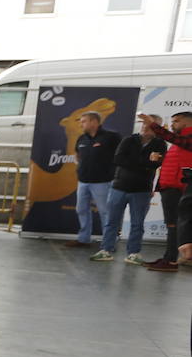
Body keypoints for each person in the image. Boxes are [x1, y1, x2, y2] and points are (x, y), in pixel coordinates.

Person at [92, 114, 165, 264]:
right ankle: (106, 250)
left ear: (157, 128)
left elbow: (155, 164)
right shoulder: (128, 140)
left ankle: (133, 253)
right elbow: (118, 160)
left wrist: (136, 162)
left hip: (142, 190)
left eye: (150, 124)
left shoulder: (160, 144)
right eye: (144, 123)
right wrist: (144, 162)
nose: (145, 127)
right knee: (111, 221)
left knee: (137, 223)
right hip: (119, 187)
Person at [144, 111, 192, 272]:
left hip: (177, 188)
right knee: (173, 225)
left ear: (187, 123)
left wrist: (153, 125)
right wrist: (162, 159)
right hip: (170, 187)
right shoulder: (181, 141)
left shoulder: (185, 138)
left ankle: (171, 260)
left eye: (176, 121)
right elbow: (179, 160)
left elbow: (173, 138)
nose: (172, 125)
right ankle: (170, 257)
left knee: (174, 225)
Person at [67, 111, 120, 249]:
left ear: (94, 122)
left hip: (102, 181)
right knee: (81, 209)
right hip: (83, 181)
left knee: (105, 212)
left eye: (84, 121)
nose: (81, 124)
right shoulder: (81, 138)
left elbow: (120, 156)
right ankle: (84, 239)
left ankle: (109, 243)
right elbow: (77, 155)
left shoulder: (111, 137)